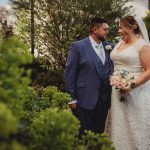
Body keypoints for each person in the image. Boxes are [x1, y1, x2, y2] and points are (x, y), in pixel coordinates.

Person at [64, 17, 114, 135]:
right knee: (82, 136)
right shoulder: (78, 47)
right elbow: (69, 73)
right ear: (95, 29)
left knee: (98, 135)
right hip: (83, 100)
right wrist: (71, 98)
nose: (107, 32)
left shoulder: (110, 47)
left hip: (103, 100)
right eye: (105, 29)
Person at [107, 16, 150, 150]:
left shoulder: (142, 45)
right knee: (118, 124)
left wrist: (131, 85)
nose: (118, 30)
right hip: (116, 91)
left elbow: (149, 70)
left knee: (133, 124)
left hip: (136, 92)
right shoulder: (120, 43)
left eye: (121, 27)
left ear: (131, 28)